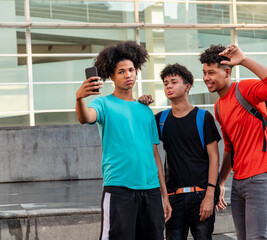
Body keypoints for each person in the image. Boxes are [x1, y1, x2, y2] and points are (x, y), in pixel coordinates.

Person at [75, 41, 171, 240]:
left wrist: (164, 195)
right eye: (121, 71)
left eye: (131, 70)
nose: (128, 75)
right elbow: (86, 117)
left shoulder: (145, 110)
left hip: (151, 191)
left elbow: (154, 155)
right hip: (119, 190)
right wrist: (79, 99)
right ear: (111, 76)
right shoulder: (103, 103)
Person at [199, 44, 267, 240]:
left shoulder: (245, 89)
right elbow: (230, 148)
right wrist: (221, 182)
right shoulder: (218, 106)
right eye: (205, 73)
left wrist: (244, 60)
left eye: (212, 72)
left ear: (227, 72)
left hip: (263, 177)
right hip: (239, 182)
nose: (206, 78)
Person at [139, 63, 221, 240]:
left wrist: (210, 195)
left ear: (187, 87)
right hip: (173, 198)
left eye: (173, 82)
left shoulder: (203, 118)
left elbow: (214, 158)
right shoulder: (161, 119)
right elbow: (140, 129)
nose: (168, 86)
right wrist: (140, 105)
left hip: (201, 195)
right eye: (166, 83)